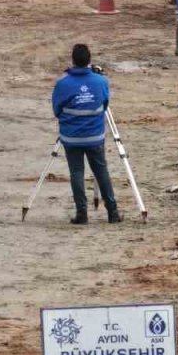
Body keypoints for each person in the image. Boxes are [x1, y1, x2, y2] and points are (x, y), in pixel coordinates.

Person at [52, 44, 119, 224]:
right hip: (95, 137)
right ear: (89, 61)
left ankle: (82, 213)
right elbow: (105, 105)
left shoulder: (62, 84)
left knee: (76, 172)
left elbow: (57, 110)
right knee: (101, 170)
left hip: (71, 138)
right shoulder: (101, 82)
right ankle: (113, 212)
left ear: (73, 61)